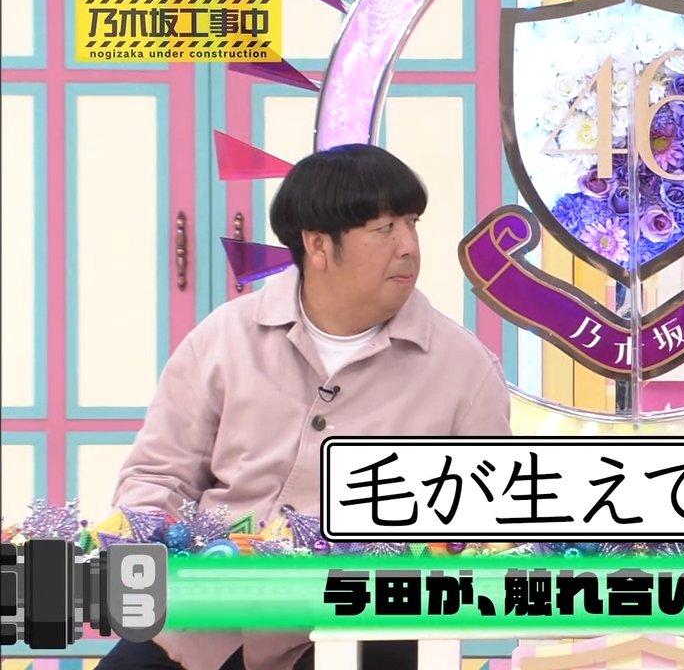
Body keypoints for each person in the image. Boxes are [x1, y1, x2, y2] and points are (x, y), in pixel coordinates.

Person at [100, 144, 513, 670]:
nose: (408, 247)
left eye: (412, 224)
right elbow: (158, 475)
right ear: (317, 244)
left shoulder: (466, 370)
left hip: (358, 628)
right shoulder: (225, 338)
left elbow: (484, 534)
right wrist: (161, 556)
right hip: (203, 626)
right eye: (384, 228)